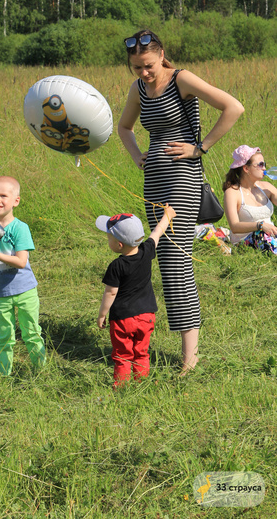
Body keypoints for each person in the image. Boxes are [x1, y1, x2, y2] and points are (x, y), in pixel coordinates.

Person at [118, 29, 244, 373]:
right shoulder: (138, 89)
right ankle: (188, 352)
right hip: (154, 181)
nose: (144, 72)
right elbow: (124, 128)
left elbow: (233, 107)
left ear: (161, 55)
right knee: (165, 259)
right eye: (137, 67)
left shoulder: (181, 79)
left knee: (176, 261)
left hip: (183, 179)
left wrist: (200, 148)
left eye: (148, 65)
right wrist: (137, 156)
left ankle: (190, 358)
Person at [0, 176, 46, 376]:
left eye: (3, 195)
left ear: (16, 201)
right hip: (1, 292)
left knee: (31, 332)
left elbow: (21, 261)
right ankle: (3, 374)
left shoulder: (20, 228)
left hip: (25, 290)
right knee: (4, 334)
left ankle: (40, 371)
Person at [96, 205, 176, 387]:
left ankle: (122, 386)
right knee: (141, 352)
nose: (108, 240)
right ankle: (141, 382)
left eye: (109, 237)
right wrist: (168, 216)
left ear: (119, 244)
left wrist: (102, 314)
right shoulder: (146, 251)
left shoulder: (116, 266)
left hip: (123, 319)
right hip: (146, 316)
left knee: (123, 355)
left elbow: (111, 292)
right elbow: (157, 232)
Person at [223, 145, 277, 253]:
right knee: (261, 235)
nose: (264, 168)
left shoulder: (266, 187)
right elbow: (234, 226)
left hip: (271, 236)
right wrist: (260, 226)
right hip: (245, 240)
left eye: (264, 164)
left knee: (265, 237)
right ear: (246, 168)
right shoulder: (233, 192)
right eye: (260, 165)